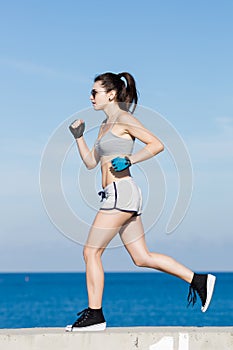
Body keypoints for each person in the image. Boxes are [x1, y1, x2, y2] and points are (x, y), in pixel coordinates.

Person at [66, 72, 216, 332]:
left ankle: (95, 315)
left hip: (120, 193)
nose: (90, 97)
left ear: (111, 94)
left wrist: (131, 160)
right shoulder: (104, 126)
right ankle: (197, 280)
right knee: (141, 257)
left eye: (95, 92)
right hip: (119, 195)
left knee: (91, 252)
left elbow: (157, 144)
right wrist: (79, 137)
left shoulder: (124, 119)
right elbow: (91, 163)